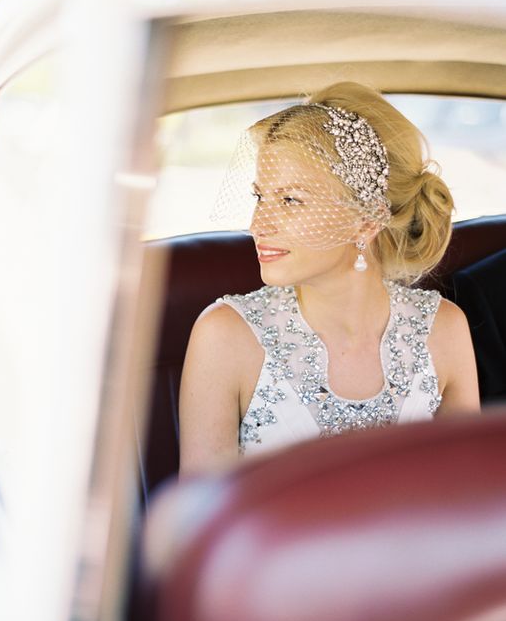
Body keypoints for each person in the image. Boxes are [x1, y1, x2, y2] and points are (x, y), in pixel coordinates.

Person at [179, 82, 480, 476]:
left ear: (367, 220)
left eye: (290, 200)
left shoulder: (445, 329)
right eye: (260, 197)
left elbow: (466, 498)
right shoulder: (224, 336)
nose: (257, 225)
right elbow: (201, 525)